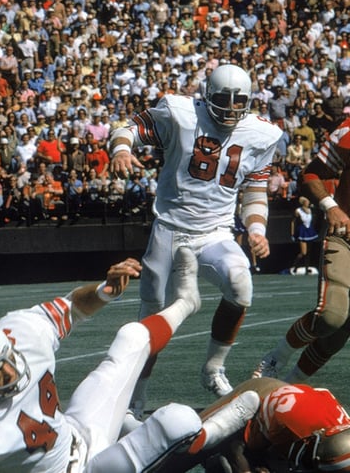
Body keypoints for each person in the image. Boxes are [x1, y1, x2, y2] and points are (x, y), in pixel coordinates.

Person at [0, 249, 260, 472]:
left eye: (9, 359)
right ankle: (214, 435)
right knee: (179, 420)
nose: (13, 373)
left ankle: (186, 302)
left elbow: (73, 306)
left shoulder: (19, 331)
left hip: (75, 433)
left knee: (131, 336)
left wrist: (104, 291)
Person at [108, 64, 283, 409]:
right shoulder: (181, 113)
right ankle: (136, 399)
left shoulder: (261, 133)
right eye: (223, 99)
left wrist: (257, 230)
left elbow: (255, 189)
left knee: (241, 284)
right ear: (206, 95)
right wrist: (121, 150)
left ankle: (213, 367)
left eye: (239, 101)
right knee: (151, 320)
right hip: (170, 230)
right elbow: (128, 128)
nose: (231, 108)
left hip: (216, 231)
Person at [252, 116, 350, 385]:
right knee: (331, 317)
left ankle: (290, 387)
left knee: (337, 337)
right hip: (346, 235)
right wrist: (331, 206)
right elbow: (312, 173)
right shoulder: (348, 132)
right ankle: (275, 358)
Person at [154, 377, 350, 472]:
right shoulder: (286, 425)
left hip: (289, 426)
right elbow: (234, 446)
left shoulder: (334, 444)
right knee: (177, 458)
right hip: (256, 403)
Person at [290, 196, 320, 274]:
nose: (308, 203)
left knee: (308, 252)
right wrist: (292, 233)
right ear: (303, 203)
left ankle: (307, 268)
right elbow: (293, 222)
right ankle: (295, 266)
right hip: (302, 231)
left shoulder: (310, 210)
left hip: (309, 230)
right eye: (307, 202)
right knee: (303, 252)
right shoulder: (298, 211)